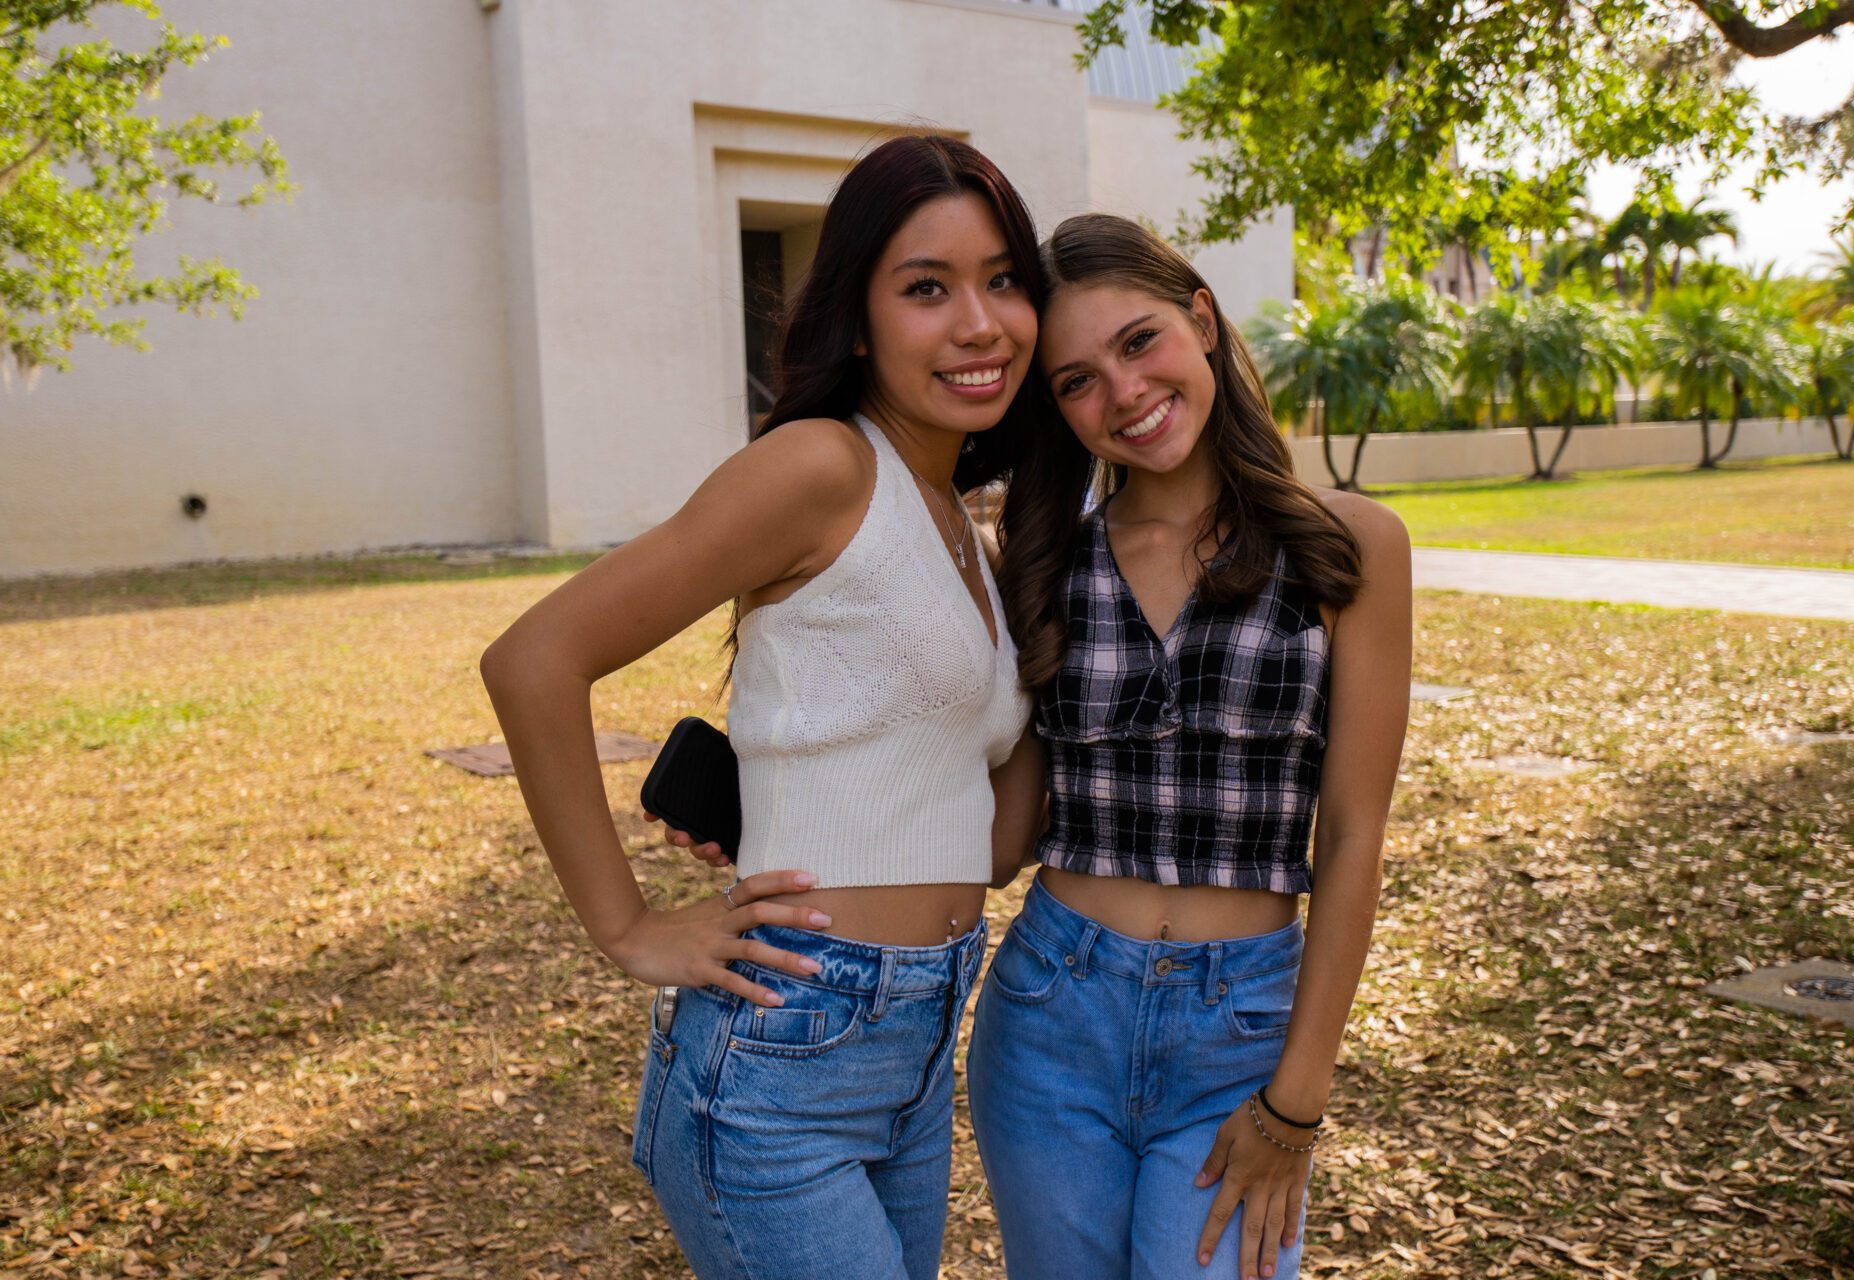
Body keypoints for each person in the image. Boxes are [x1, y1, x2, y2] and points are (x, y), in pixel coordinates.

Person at [479, 134, 1043, 1280]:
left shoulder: (967, 525)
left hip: (918, 1041)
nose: (980, 322)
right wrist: (629, 927)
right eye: (927, 287)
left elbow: (988, 848)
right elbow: (534, 658)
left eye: (1003, 279)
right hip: (785, 1052)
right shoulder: (822, 467)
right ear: (856, 319)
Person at [972, 213, 1412, 1280]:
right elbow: (1001, 840)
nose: (1121, 393)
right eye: (1076, 380)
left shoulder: (1346, 543)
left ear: (1201, 320)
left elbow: (1352, 834)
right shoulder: (1043, 564)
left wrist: (1294, 1101)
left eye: (1139, 342)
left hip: (1244, 1030)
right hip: (1049, 1016)